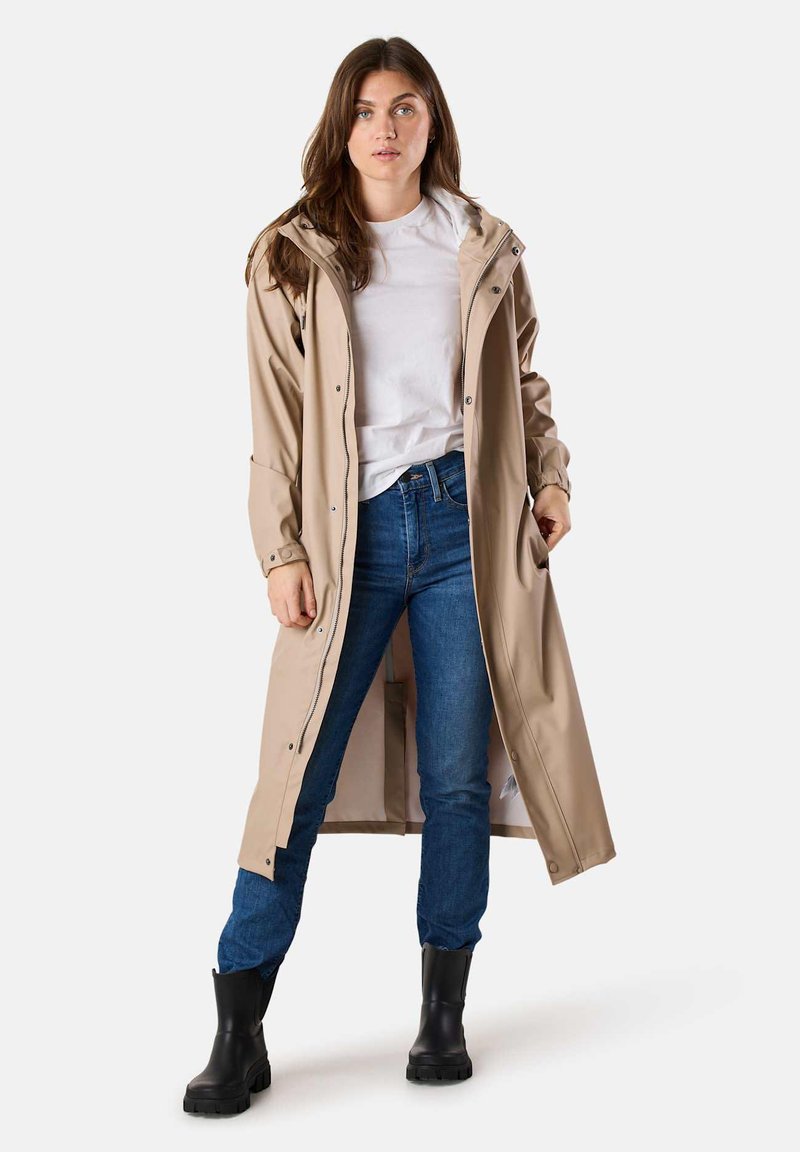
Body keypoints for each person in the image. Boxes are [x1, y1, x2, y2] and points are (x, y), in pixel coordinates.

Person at [184, 36, 615, 1116]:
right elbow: (273, 420)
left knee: (457, 777)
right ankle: (238, 1030)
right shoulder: (292, 255)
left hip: (466, 530)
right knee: (294, 778)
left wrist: (550, 478)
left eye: (406, 107)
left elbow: (523, 380)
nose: (386, 129)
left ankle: (441, 1015)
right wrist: (280, 549)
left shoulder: (480, 243)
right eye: (368, 110)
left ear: (433, 122)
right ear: (342, 128)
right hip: (351, 543)